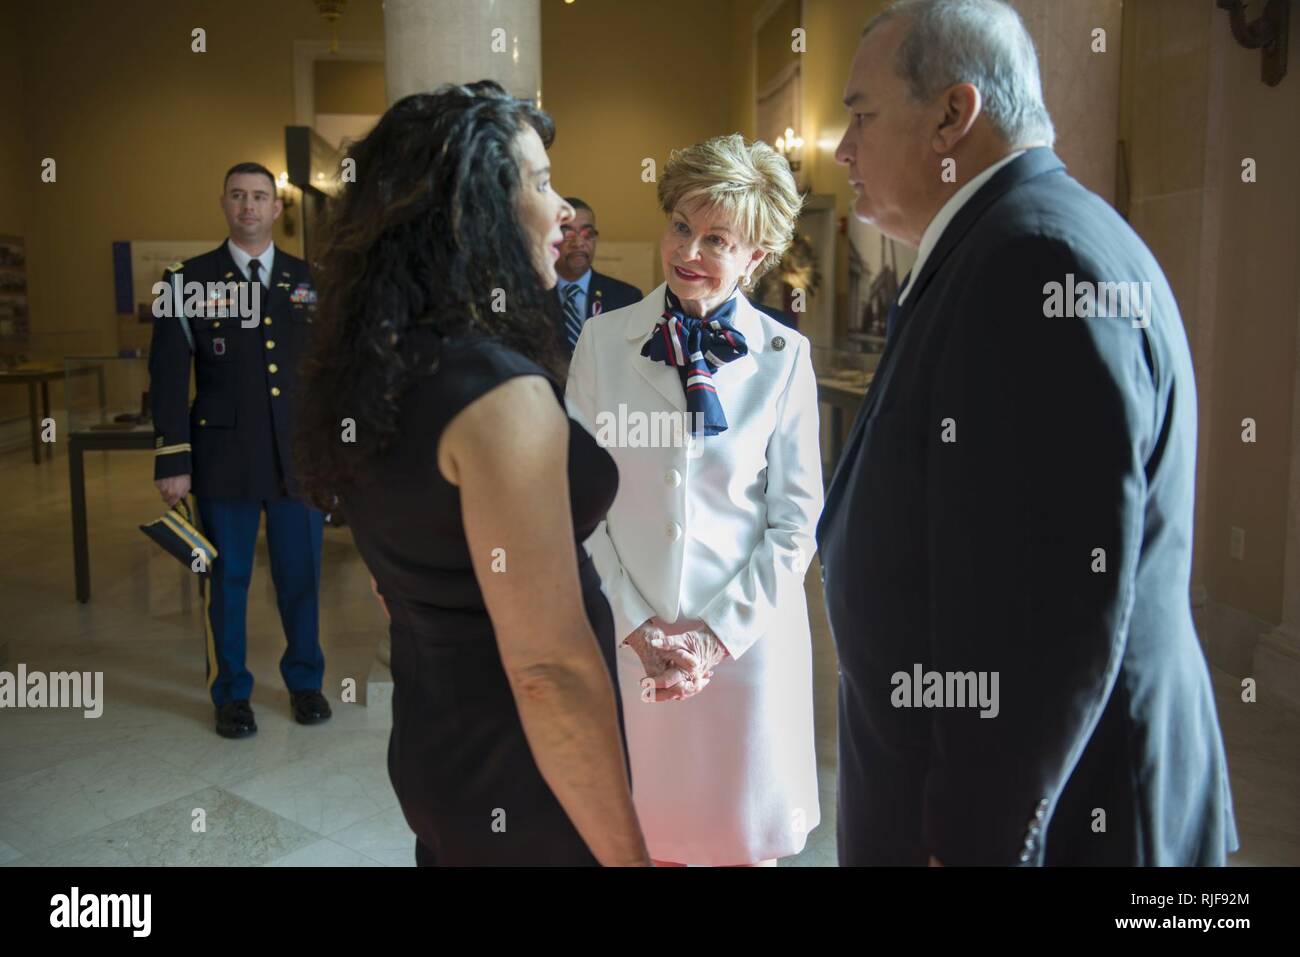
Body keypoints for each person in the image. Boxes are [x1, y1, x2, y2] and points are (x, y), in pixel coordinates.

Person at [818, 0, 1237, 865]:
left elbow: (1049, 611)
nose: (842, 148)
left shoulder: (1032, 261)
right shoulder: (1002, 242)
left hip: (1059, 819)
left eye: (861, 115)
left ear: (952, 115)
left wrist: (973, 840)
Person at [294, 82, 648, 867]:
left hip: (437, 745)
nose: (564, 210)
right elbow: (547, 670)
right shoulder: (495, 392)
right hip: (524, 773)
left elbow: (405, 580)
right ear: (477, 205)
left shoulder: (382, 373)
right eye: (543, 180)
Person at [566, 134, 822, 867]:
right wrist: (638, 624)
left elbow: (794, 519)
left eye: (718, 238)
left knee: (739, 843)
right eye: (682, 224)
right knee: (639, 842)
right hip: (629, 637)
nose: (691, 249)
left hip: (744, 646)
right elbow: (578, 505)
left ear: (756, 257)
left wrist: (715, 637)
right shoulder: (602, 341)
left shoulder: (783, 358)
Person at [149, 162, 330, 739]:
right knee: (225, 581)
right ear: (223, 204)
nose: (249, 206)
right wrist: (173, 459)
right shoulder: (187, 281)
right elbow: (170, 374)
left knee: (300, 576)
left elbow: (328, 375)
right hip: (223, 459)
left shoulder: (311, 280)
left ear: (278, 209)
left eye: (260, 197)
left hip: (296, 460)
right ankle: (231, 693)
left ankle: (305, 683)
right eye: (238, 196)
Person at [553, 197, 642, 354]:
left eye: (587, 233)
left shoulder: (628, 299)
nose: (578, 243)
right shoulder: (527, 296)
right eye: (567, 233)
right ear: (552, 237)